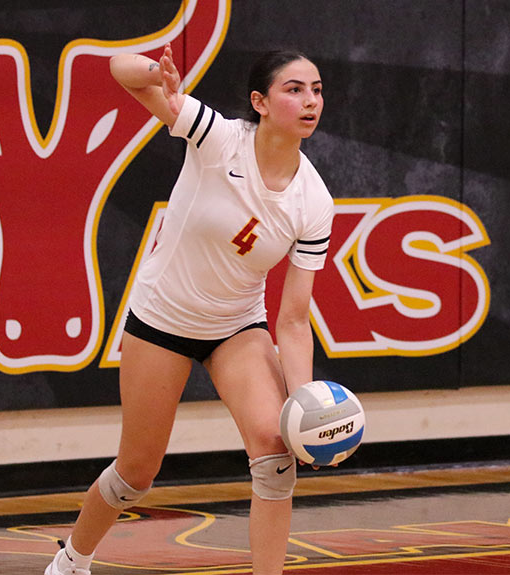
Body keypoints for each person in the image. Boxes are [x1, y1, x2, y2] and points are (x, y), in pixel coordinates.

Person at [44, 43, 333, 575]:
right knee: (135, 473)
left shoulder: (314, 202)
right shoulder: (220, 138)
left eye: (316, 90)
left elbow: (292, 318)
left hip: (237, 329)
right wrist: (155, 72)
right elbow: (119, 72)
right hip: (162, 322)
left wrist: (305, 404)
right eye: (294, 89)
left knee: (275, 458)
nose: (310, 100)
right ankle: (71, 560)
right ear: (260, 102)